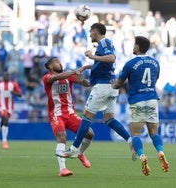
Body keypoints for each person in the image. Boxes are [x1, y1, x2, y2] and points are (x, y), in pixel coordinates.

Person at [57, 23, 131, 158]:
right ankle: (130, 140)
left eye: (91, 32)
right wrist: (85, 67)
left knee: (86, 116)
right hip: (109, 86)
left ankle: (74, 149)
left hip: (103, 87)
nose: (90, 35)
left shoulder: (105, 43)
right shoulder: (103, 45)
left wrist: (92, 56)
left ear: (96, 32)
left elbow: (111, 58)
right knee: (109, 119)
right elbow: (101, 64)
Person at [112, 36, 169, 176]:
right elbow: (155, 79)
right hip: (152, 99)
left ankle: (142, 155)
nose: (133, 47)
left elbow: (118, 84)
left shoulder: (130, 63)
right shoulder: (155, 62)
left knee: (136, 133)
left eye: (134, 44)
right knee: (154, 132)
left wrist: (111, 85)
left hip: (137, 100)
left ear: (138, 46)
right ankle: (160, 152)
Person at [42, 57, 94, 177]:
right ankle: (63, 169)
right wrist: (74, 71)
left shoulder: (68, 77)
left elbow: (86, 84)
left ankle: (79, 152)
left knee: (90, 133)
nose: (60, 63)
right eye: (56, 62)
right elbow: (56, 77)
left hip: (71, 114)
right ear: (50, 66)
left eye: (60, 62)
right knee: (62, 137)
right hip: (56, 114)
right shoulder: (47, 78)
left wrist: (83, 80)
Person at [0, 72, 22, 149]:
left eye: (8, 76)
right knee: (5, 119)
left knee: (3, 123)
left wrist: (14, 92)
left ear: (10, 77)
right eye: (5, 75)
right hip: (1, 106)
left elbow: (20, 94)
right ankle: (4, 142)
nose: (6, 77)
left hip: (9, 107)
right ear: (3, 77)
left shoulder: (13, 84)